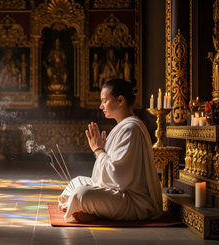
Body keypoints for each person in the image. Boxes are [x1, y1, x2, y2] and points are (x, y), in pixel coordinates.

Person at [58, 78, 162, 223]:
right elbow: (109, 175)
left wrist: (98, 150)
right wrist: (102, 151)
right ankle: (85, 209)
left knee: (81, 194)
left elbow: (118, 177)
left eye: (104, 101)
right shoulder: (122, 127)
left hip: (132, 200)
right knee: (75, 183)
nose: (101, 106)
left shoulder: (131, 129)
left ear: (120, 100)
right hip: (116, 192)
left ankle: (87, 210)